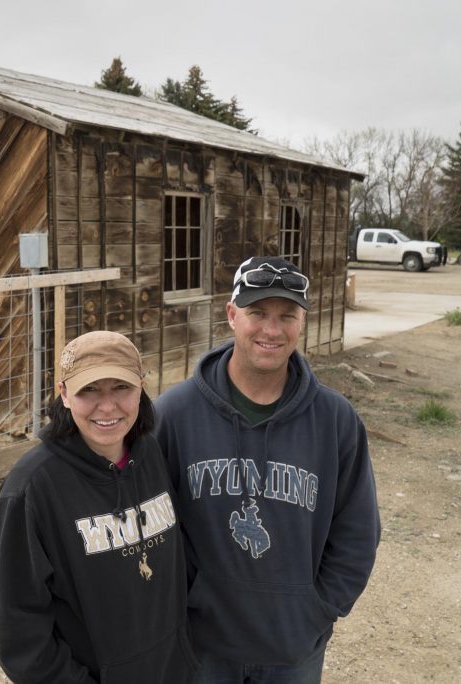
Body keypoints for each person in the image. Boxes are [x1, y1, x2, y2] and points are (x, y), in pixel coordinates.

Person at [155, 256, 380, 683]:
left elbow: (357, 531)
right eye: (257, 313)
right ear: (231, 315)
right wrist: (184, 604)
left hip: (292, 650)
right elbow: (154, 527)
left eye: (287, 316)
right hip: (200, 646)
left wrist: (316, 610)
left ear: (302, 321)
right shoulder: (175, 414)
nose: (271, 330)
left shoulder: (335, 420)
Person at [0, 330, 197, 683]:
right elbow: (15, 626)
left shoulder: (151, 455)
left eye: (121, 388)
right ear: (64, 394)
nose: (107, 406)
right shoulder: (31, 489)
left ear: (141, 387)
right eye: (90, 390)